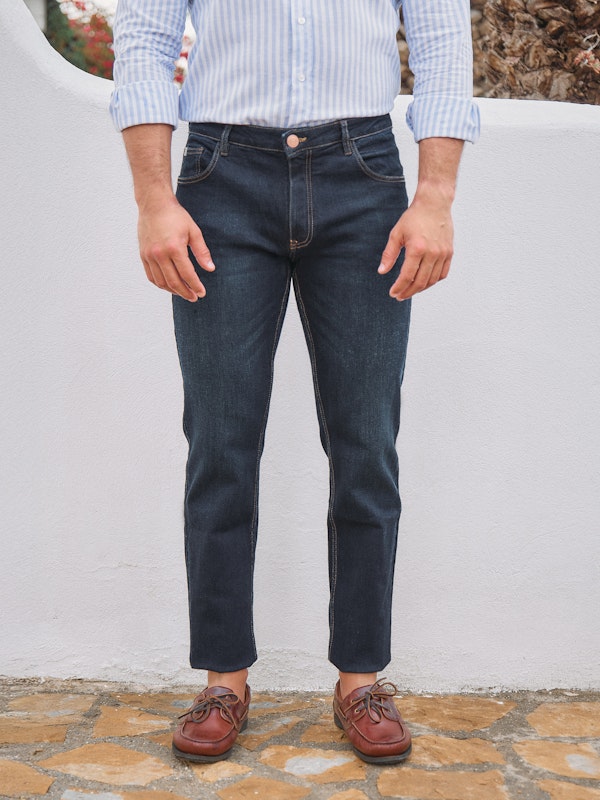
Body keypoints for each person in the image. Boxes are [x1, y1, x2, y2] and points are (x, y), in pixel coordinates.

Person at [110, 0, 480, 766]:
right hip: (221, 175)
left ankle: (360, 681)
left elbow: (442, 36)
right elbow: (144, 37)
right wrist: (153, 200)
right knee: (220, 443)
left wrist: (436, 198)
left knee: (366, 443)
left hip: (362, 172)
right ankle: (223, 681)